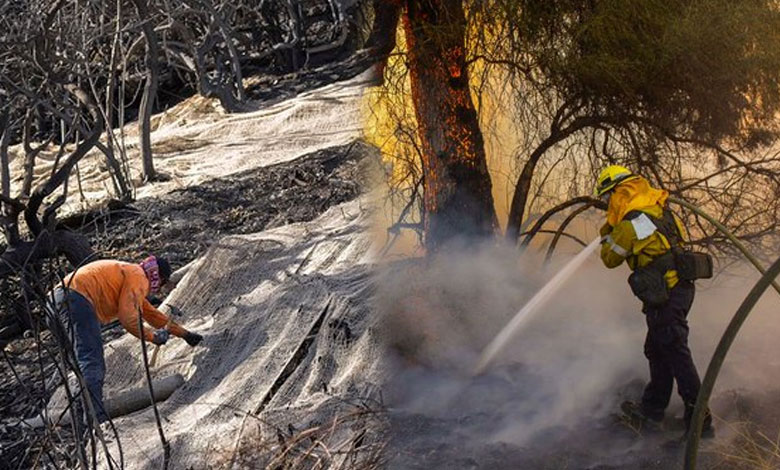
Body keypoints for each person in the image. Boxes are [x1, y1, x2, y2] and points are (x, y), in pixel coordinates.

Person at [594, 165, 713, 436]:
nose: (606, 205)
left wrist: (607, 232)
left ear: (617, 193)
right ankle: (652, 411)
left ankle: (700, 423)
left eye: (606, 199)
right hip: (678, 288)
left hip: (667, 292)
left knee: (673, 349)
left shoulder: (630, 224)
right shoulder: (658, 208)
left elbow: (610, 259)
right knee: (658, 348)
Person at [47, 255, 203, 423]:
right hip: (75, 300)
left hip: (54, 302)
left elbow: (152, 315)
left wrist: (184, 334)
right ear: (157, 276)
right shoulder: (138, 276)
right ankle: (96, 421)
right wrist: (153, 336)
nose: (159, 288)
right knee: (91, 362)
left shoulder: (130, 274)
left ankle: (81, 421)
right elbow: (128, 318)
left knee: (80, 365)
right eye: (163, 283)